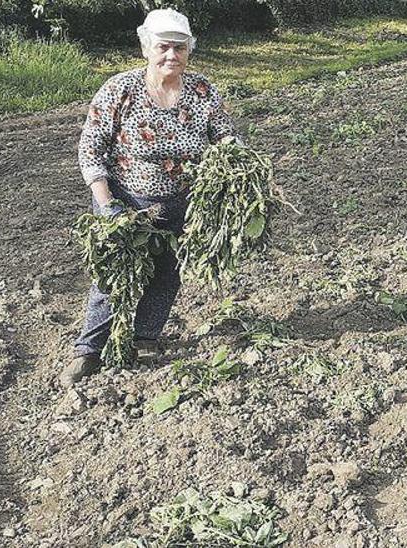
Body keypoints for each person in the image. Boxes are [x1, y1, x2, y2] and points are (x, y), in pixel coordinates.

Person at [62, 8, 242, 387]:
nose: (171, 56)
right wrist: (106, 203)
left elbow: (224, 134)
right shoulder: (119, 90)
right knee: (113, 276)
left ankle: (145, 336)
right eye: (163, 47)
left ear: (189, 51)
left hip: (181, 201)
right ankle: (88, 350)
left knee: (167, 272)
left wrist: (240, 161)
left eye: (180, 48)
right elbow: (91, 150)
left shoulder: (202, 91)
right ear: (146, 48)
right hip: (124, 199)